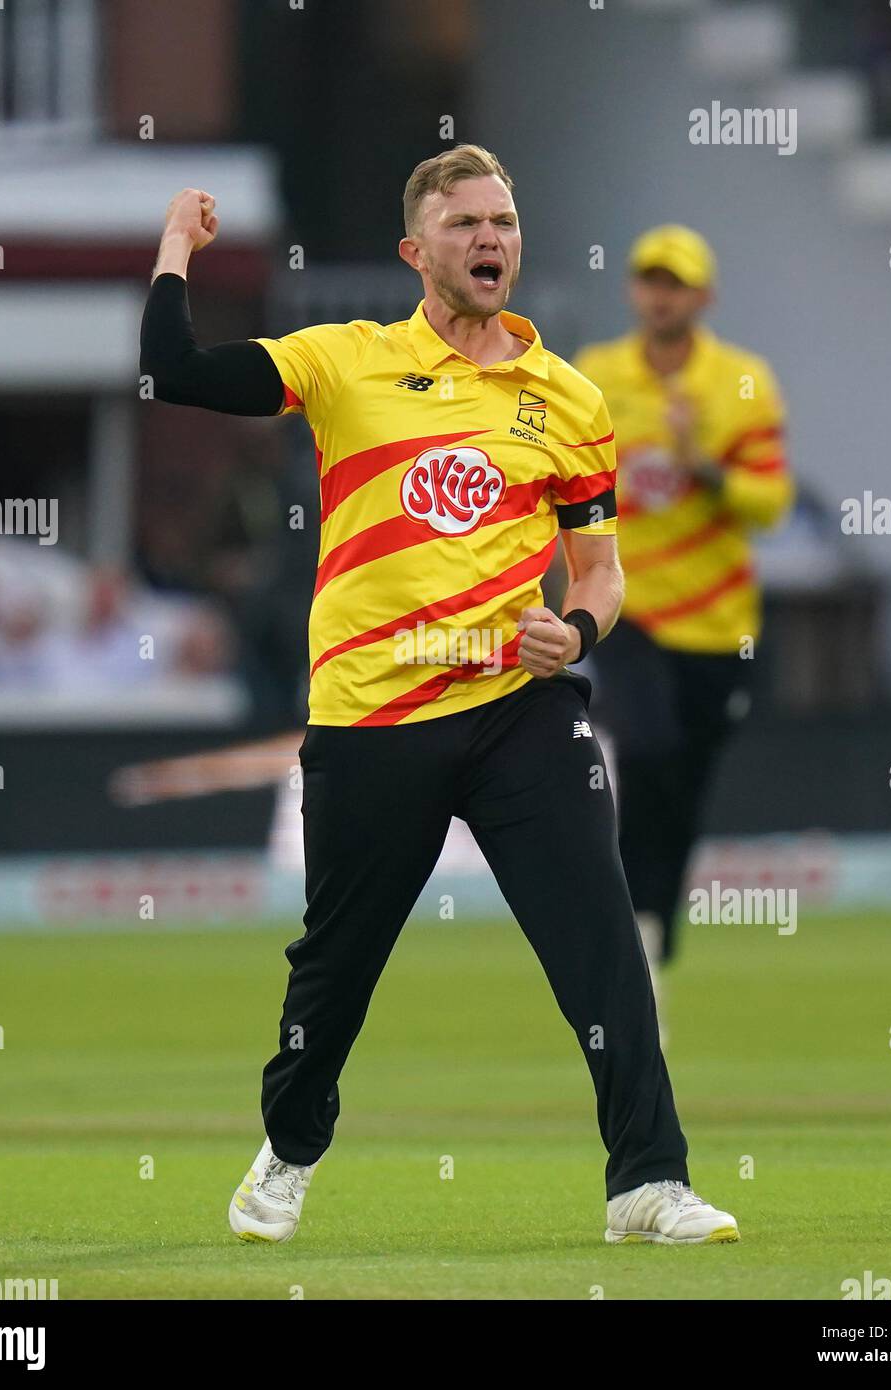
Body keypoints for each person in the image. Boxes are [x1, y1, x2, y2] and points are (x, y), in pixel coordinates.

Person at [140, 149, 738, 1246]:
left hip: (519, 708)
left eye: (503, 220)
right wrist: (178, 243)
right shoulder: (343, 362)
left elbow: (599, 572)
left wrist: (583, 628)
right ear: (419, 253)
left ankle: (648, 1181)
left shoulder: (569, 400)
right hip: (370, 716)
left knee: (601, 938)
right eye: (464, 223)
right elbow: (173, 372)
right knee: (334, 975)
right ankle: (288, 1149)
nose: (489, 239)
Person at [573, 226, 793, 1038]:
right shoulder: (598, 374)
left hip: (719, 625)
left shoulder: (740, 381)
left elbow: (770, 502)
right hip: (628, 608)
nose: (660, 295)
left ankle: (654, 947)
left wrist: (703, 462)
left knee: (684, 790)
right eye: (648, 280)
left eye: (676, 283)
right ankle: (637, 957)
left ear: (703, 297)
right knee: (651, 749)